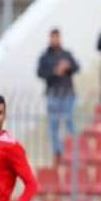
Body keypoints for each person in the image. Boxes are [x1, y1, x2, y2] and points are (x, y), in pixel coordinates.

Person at [37, 29, 79, 161]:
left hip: (68, 94)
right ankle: (58, 151)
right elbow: (40, 73)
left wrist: (67, 67)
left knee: (69, 122)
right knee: (54, 125)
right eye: (53, 37)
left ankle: (75, 150)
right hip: (53, 95)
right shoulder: (45, 57)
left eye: (57, 37)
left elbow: (77, 67)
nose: (55, 40)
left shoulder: (67, 54)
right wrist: (54, 71)